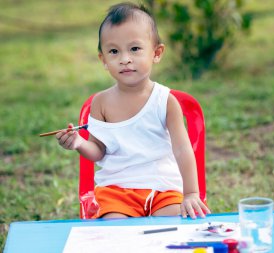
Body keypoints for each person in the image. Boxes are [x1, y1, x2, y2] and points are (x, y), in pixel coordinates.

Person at [55, 2, 210, 219]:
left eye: (135, 49)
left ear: (156, 53)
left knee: (176, 222)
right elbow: (98, 151)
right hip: (117, 191)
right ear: (104, 60)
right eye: (114, 51)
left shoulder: (165, 101)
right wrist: (79, 143)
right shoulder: (101, 103)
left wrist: (192, 192)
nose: (125, 59)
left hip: (163, 189)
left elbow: (183, 150)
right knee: (115, 229)